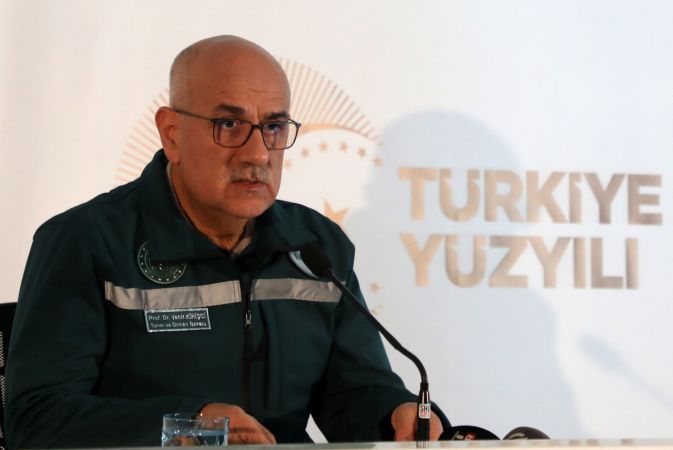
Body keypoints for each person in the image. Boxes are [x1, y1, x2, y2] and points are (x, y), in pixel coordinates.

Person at [5, 35, 448, 448]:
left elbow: (353, 394)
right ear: (171, 133)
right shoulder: (85, 242)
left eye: (274, 126)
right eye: (229, 123)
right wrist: (190, 426)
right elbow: (37, 418)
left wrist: (395, 413)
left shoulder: (317, 247)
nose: (258, 153)